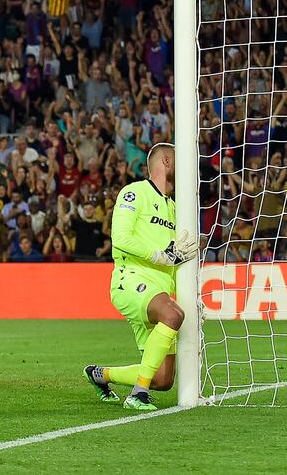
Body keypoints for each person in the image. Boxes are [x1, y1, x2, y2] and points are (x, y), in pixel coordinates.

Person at [83, 143, 198, 411]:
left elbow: (177, 256)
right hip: (130, 280)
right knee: (173, 315)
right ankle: (138, 395)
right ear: (167, 161)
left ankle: (100, 375)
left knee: (163, 379)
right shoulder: (135, 192)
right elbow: (121, 238)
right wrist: (160, 255)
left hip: (158, 291)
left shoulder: (176, 209)